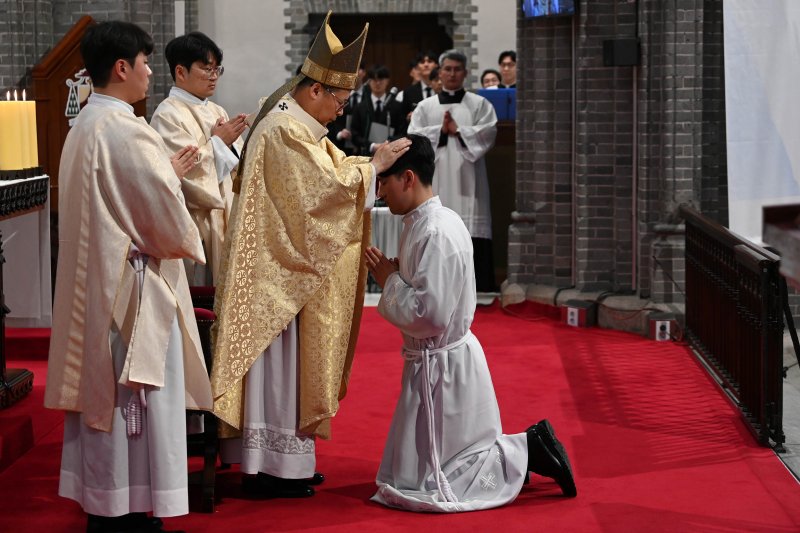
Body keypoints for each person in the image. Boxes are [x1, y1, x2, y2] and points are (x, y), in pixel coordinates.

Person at [211, 10, 411, 499]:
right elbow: (317, 191)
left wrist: (363, 165)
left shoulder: (294, 123)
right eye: (340, 99)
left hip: (285, 268)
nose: (342, 109)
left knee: (287, 369)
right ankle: (267, 466)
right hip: (274, 276)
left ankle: (284, 463)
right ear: (315, 90)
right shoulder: (283, 129)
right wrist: (373, 168)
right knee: (277, 369)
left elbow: (328, 168)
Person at [44, 20, 213, 533]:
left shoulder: (84, 126)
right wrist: (171, 182)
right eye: (144, 64)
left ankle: (107, 498)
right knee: (137, 401)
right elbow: (167, 226)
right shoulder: (126, 129)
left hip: (100, 286)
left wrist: (166, 174)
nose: (147, 75)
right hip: (134, 294)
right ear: (122, 67)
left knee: (108, 401)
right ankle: (131, 506)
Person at [365, 134, 577, 512]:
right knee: (414, 477)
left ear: (408, 178)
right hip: (433, 363)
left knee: (448, 481)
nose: (379, 192)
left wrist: (389, 282)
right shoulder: (419, 223)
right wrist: (401, 278)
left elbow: (429, 315)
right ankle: (528, 448)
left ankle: (530, 449)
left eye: (384, 181)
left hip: (444, 368)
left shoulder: (437, 231)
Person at [150, 31, 246, 286]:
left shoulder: (216, 110)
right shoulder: (167, 116)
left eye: (217, 69)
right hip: (196, 224)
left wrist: (238, 148)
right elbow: (185, 176)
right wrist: (217, 143)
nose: (214, 77)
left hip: (226, 216)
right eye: (206, 69)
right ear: (181, 72)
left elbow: (237, 166)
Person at [408, 49, 498, 292]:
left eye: (457, 69)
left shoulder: (480, 104)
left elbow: (489, 133)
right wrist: (441, 130)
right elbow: (414, 138)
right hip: (436, 178)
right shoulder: (425, 108)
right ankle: (436, 287)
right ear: (440, 72)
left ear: (465, 73)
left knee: (471, 227)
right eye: (447, 69)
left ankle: (479, 287)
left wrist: (458, 130)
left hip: (470, 179)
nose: (452, 73)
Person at [350, 65, 403, 155]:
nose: (377, 83)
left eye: (381, 79)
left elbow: (402, 131)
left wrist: (389, 144)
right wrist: (372, 146)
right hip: (365, 154)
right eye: (374, 80)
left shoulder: (397, 106)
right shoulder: (360, 107)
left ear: (387, 81)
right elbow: (354, 134)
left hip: (391, 153)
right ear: (369, 81)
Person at [398, 50, 439, 133]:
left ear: (436, 65)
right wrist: (408, 119)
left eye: (430, 61)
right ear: (417, 67)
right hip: (417, 137)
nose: (426, 64)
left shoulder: (442, 88)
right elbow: (401, 122)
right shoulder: (409, 92)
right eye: (422, 62)